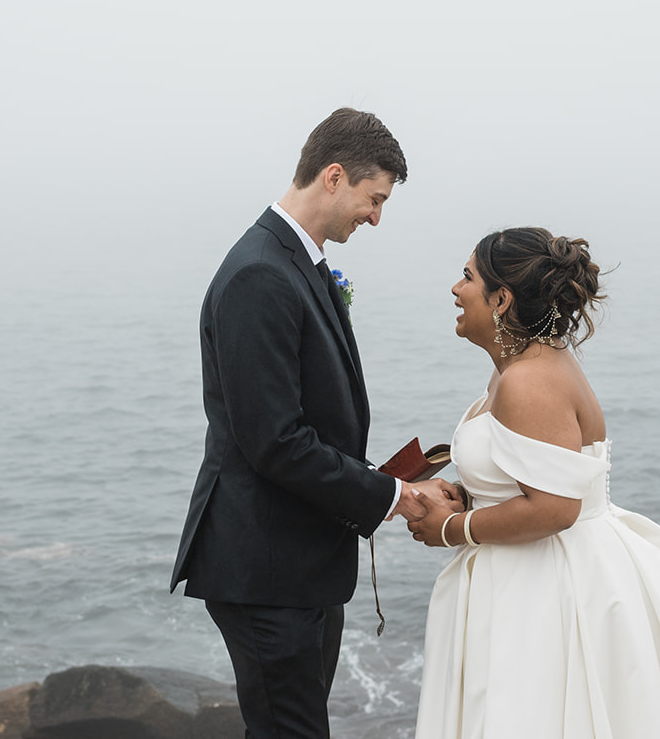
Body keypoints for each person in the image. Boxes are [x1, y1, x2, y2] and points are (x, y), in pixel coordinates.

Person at [171, 107, 459, 739]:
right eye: (374, 198)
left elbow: (306, 424)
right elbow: (276, 441)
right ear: (334, 176)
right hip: (265, 565)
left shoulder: (295, 260)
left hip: (298, 558)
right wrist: (394, 494)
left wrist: (389, 480)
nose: (377, 217)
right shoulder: (259, 275)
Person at [406, 228, 660, 739]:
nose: (455, 289)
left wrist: (453, 528)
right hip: (527, 572)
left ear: (501, 299)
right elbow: (524, 473)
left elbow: (556, 507)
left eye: (468, 277)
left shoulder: (528, 380)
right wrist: (458, 493)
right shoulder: (518, 367)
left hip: (547, 590)